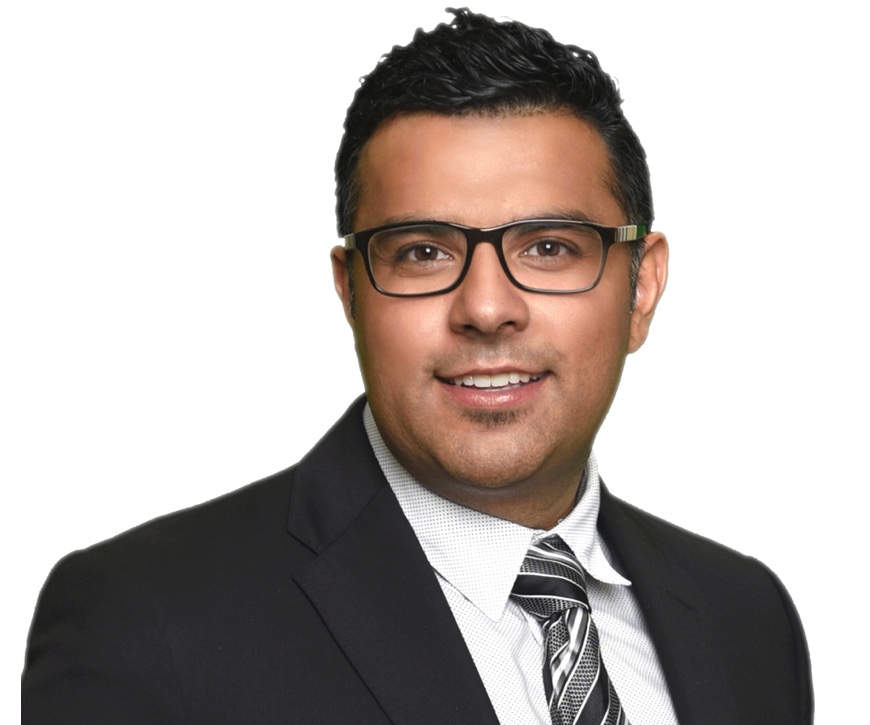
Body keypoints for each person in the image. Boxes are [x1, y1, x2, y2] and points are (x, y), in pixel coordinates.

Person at [23, 9, 812, 724]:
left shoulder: (748, 617)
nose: (487, 307)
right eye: (423, 252)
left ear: (640, 287)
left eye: (548, 247)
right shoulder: (145, 622)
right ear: (351, 292)